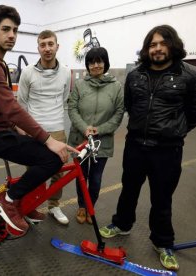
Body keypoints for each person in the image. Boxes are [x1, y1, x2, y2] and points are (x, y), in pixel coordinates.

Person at [99, 25, 196, 271]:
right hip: (135, 145)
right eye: (152, 45)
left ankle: (163, 242)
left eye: (161, 43)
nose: (157, 49)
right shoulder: (136, 75)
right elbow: (129, 104)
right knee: (129, 189)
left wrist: (176, 131)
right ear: (147, 49)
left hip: (167, 150)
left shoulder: (189, 75)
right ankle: (122, 224)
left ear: (172, 45)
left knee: (162, 198)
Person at [0, 5, 77, 235]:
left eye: (15, 30)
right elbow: (12, 107)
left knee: (43, 158)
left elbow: (3, 108)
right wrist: (47, 139)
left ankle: (20, 202)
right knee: (52, 160)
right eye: (6, 29)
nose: (12, 35)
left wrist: (18, 128)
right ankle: (9, 199)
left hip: (0, 130)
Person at [17, 30, 71, 225]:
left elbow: (64, 99)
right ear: (38, 48)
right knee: (33, 172)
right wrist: (23, 130)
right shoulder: (28, 72)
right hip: (34, 131)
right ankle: (30, 207)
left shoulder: (66, 71)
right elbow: (21, 102)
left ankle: (54, 205)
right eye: (43, 45)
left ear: (57, 46)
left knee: (58, 171)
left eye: (50, 44)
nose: (47, 48)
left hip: (57, 128)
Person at [68, 47, 124, 225]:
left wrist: (100, 129)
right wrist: (85, 128)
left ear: (105, 63)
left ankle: (91, 206)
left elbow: (119, 113)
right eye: (92, 62)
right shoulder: (79, 85)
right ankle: (82, 207)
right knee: (81, 176)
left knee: (96, 178)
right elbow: (72, 108)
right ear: (88, 65)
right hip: (81, 139)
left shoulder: (116, 87)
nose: (95, 65)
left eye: (99, 61)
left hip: (102, 141)